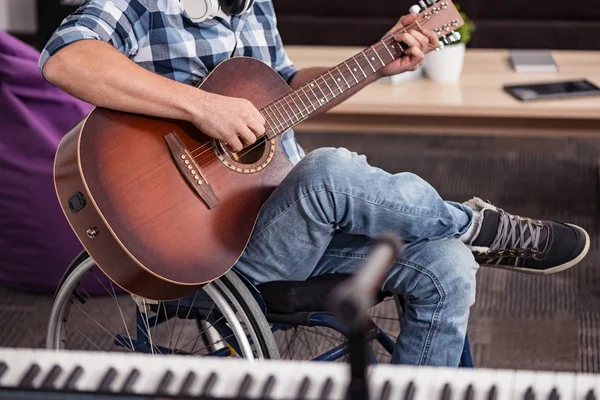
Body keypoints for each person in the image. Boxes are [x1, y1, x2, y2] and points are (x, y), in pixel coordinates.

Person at [40, 0, 590, 367]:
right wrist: (202, 107)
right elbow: (65, 59)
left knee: (447, 264)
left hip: (291, 222)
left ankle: (464, 245)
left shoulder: (255, 7)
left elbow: (281, 92)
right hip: (212, 248)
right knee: (328, 171)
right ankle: (482, 225)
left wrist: (376, 61)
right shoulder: (142, 4)